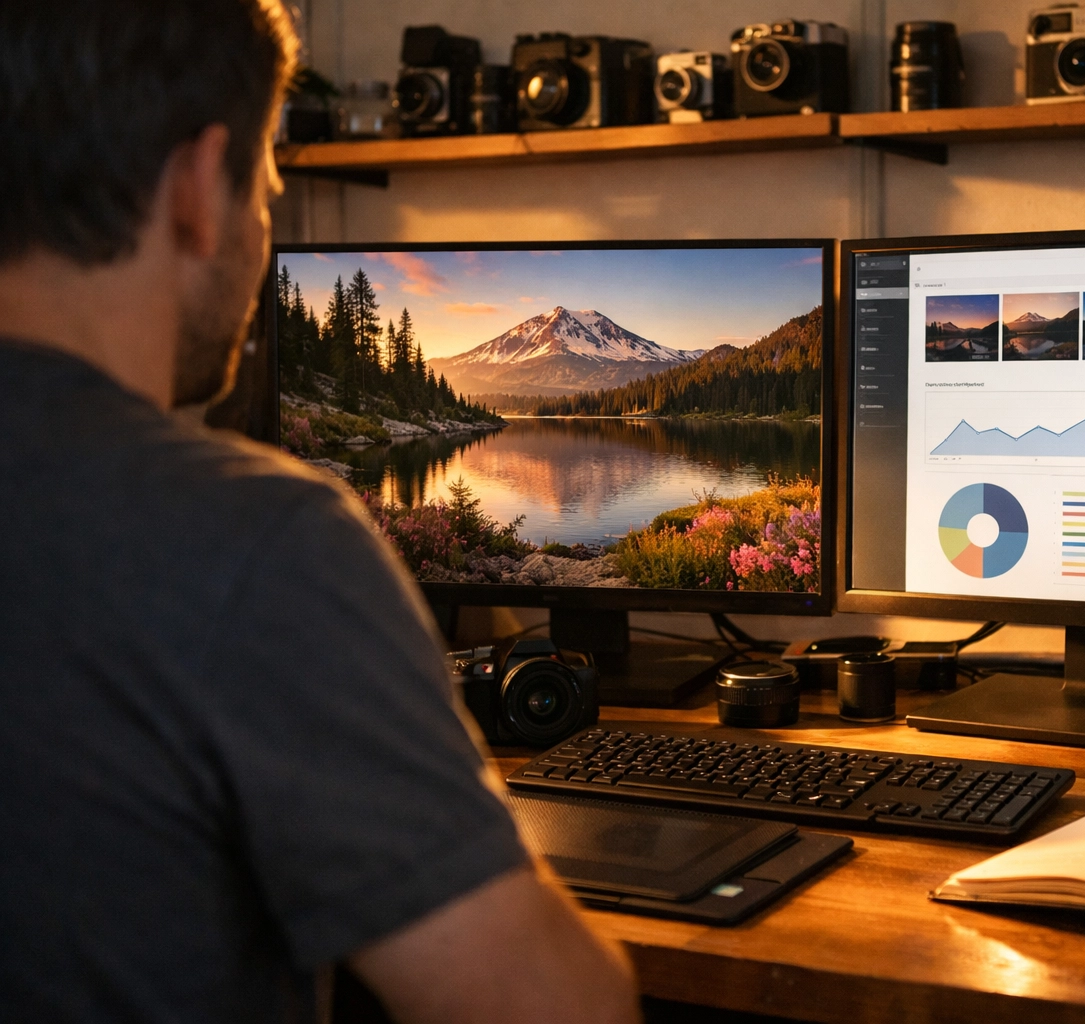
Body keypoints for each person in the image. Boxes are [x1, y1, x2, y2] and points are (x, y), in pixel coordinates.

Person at [0, 3, 639, 1022]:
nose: (263, 226)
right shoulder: (251, 543)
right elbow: (559, 1009)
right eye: (268, 187)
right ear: (198, 188)